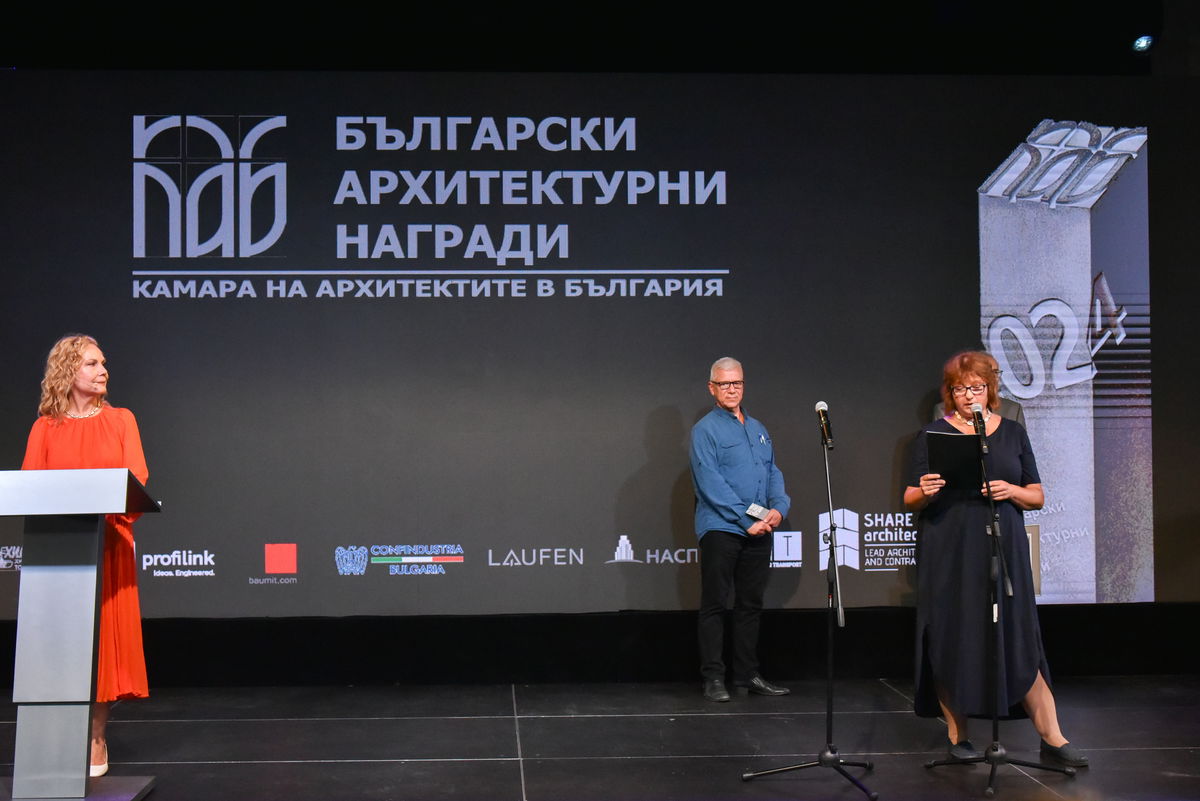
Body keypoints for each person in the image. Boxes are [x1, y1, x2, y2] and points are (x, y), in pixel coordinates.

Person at [903, 351, 1087, 767]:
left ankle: (1053, 737)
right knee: (953, 635)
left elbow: (1036, 495)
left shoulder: (1012, 433)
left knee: (1019, 636)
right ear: (950, 393)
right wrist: (926, 491)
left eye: (977, 387)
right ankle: (958, 734)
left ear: (990, 389)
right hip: (951, 547)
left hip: (1004, 544)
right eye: (960, 389)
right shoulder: (932, 434)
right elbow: (910, 497)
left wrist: (1010, 490)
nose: (969, 395)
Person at [21, 335, 150, 778]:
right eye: (92, 364)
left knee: (102, 646)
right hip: (59, 552)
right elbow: (30, 486)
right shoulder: (44, 428)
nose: (103, 370)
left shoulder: (121, 420)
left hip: (108, 545)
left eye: (104, 363)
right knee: (59, 645)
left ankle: (96, 736)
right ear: (67, 371)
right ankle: (58, 737)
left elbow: (136, 478)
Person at [690, 357, 791, 702]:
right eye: (724, 384)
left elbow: (772, 471)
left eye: (737, 383)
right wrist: (748, 520)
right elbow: (711, 484)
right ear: (712, 388)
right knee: (715, 604)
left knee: (750, 604)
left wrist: (779, 507)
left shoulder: (758, 428)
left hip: (759, 528)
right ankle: (714, 678)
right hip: (721, 528)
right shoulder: (705, 430)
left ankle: (747, 675)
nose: (731, 389)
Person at [930, 351, 1025, 427]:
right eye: (960, 388)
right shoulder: (943, 416)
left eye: (996, 372)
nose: (969, 395)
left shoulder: (1013, 421)